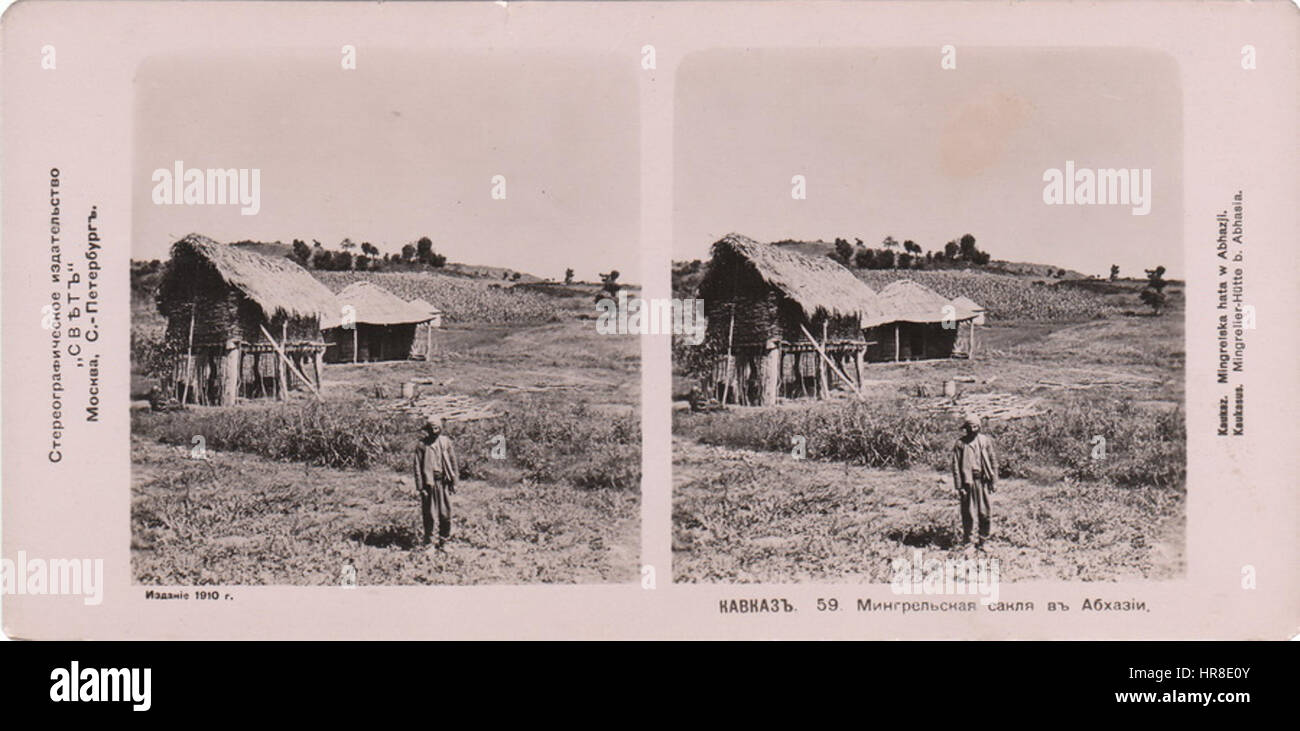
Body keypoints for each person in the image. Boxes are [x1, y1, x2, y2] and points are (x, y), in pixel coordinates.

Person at [951, 414, 997, 549]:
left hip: (983, 481)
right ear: (966, 428)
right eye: (970, 427)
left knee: (985, 512)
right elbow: (955, 466)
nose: (973, 429)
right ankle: (968, 543)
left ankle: (984, 541)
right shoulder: (960, 444)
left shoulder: (985, 441)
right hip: (968, 482)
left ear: (979, 427)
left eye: (976, 426)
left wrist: (994, 481)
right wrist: (959, 486)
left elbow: (993, 460)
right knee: (968, 513)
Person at [413, 416, 458, 549]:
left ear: (440, 428)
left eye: (437, 428)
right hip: (429, 483)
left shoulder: (446, 442)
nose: (434, 431)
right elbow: (417, 467)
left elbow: (453, 462)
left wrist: (454, 482)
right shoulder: (422, 445)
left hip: (443, 482)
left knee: (446, 514)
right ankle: (429, 544)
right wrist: (421, 487)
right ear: (427, 429)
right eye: (431, 428)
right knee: (430, 515)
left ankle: (444, 541)